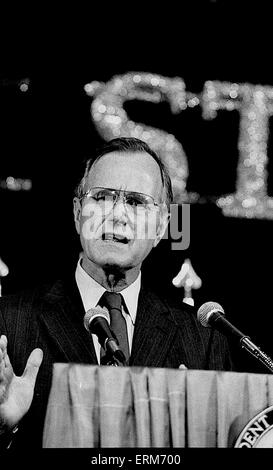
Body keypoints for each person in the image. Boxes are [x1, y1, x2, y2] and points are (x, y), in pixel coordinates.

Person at [0, 137, 232, 448]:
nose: (117, 215)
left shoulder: (204, 340)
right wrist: (3, 428)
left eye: (136, 202)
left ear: (162, 225)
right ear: (78, 211)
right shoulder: (7, 322)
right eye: (104, 197)